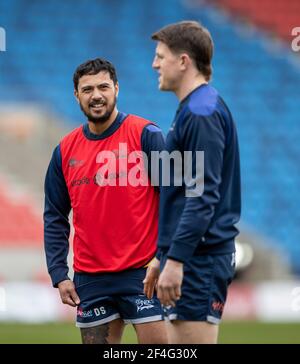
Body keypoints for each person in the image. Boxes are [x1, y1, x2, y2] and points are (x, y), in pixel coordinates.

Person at [44, 58, 167, 344]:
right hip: (91, 279)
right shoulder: (64, 151)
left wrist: (166, 255)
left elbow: (175, 199)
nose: (96, 95)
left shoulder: (146, 135)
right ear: (76, 95)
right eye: (87, 89)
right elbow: (54, 216)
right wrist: (59, 274)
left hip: (144, 274)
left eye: (103, 86)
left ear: (116, 89)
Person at [143, 21, 241, 344]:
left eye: (161, 56)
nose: (155, 64)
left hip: (199, 260)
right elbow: (182, 193)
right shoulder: (191, 109)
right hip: (190, 257)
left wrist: (176, 259)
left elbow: (201, 196)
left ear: (184, 61)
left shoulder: (201, 112)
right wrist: (164, 254)